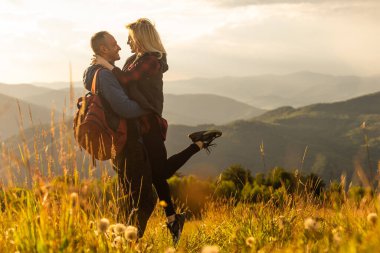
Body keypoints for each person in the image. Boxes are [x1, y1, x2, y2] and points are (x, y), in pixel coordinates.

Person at [94, 18, 222, 244]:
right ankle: (173, 219)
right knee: (156, 173)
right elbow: (124, 83)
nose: (127, 43)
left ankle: (198, 145)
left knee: (159, 172)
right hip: (139, 125)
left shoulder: (152, 60)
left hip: (149, 124)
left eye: (130, 38)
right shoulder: (136, 59)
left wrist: (105, 65)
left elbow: (125, 79)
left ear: (141, 38)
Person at [83, 31, 156, 236]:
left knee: (129, 198)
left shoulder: (92, 71)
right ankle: (126, 242)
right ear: (103, 49)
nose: (119, 47)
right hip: (127, 142)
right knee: (144, 199)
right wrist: (148, 107)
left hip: (119, 141)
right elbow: (125, 108)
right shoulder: (105, 75)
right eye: (114, 45)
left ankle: (119, 241)